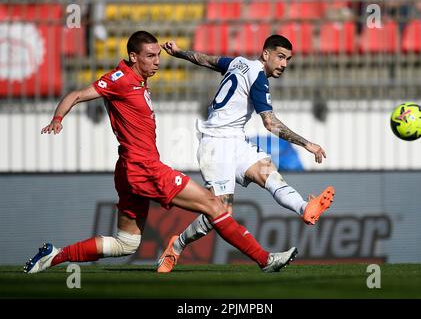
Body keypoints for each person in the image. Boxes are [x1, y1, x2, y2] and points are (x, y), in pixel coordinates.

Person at [23, 31, 297, 274]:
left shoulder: (139, 79)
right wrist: (57, 119)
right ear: (133, 56)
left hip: (129, 169)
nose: (157, 60)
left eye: (158, 55)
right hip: (143, 167)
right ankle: (265, 260)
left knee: (126, 243)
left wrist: (180, 52)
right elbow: (76, 95)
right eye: (150, 56)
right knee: (215, 206)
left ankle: (54, 255)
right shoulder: (119, 79)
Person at [156, 35, 335, 273]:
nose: (284, 64)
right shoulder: (258, 77)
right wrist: (307, 144)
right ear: (265, 54)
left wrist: (179, 52)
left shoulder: (238, 62)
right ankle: (176, 246)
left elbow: (205, 60)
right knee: (219, 214)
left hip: (236, 141)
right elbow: (270, 124)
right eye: (280, 57)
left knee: (268, 172)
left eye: (288, 59)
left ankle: (305, 209)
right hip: (215, 145)